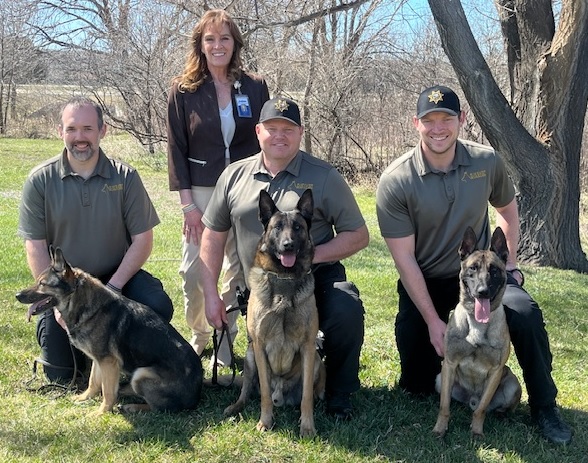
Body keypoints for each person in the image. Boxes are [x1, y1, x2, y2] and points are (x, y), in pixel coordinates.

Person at [375, 85, 573, 444]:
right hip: (427, 280)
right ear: (415, 123)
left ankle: (545, 406)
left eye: (447, 119)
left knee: (525, 315)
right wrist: (434, 322)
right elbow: (403, 258)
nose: (439, 128)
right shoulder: (396, 179)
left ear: (461, 120)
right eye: (429, 120)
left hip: (484, 277)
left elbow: (508, 212)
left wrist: (508, 268)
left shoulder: (486, 161)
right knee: (418, 384)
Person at [200, 97, 369, 420]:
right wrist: (210, 293)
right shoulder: (234, 176)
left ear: (300, 133)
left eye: (288, 129)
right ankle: (265, 387)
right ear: (258, 131)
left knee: (347, 308)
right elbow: (212, 236)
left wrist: (308, 255)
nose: (280, 136)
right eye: (272, 129)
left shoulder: (324, 176)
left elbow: (358, 235)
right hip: (262, 283)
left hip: (315, 277)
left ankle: (339, 393)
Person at [17, 96, 173, 384]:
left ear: (103, 131)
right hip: (65, 284)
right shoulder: (40, 180)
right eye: (72, 129)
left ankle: (132, 361)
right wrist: (54, 299)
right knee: (60, 377)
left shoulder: (125, 176)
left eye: (88, 129)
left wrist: (111, 290)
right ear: (60, 131)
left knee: (158, 305)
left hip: (116, 278)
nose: (80, 138)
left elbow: (142, 239)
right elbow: (35, 246)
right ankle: (83, 353)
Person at [167, 9, 269, 365]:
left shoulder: (254, 86)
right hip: (201, 192)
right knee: (194, 269)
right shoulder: (184, 90)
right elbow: (176, 148)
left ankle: (226, 346)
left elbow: (265, 140)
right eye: (210, 39)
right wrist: (187, 206)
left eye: (224, 38)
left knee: (238, 269)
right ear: (201, 45)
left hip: (243, 189)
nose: (217, 45)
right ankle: (199, 335)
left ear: (234, 43)